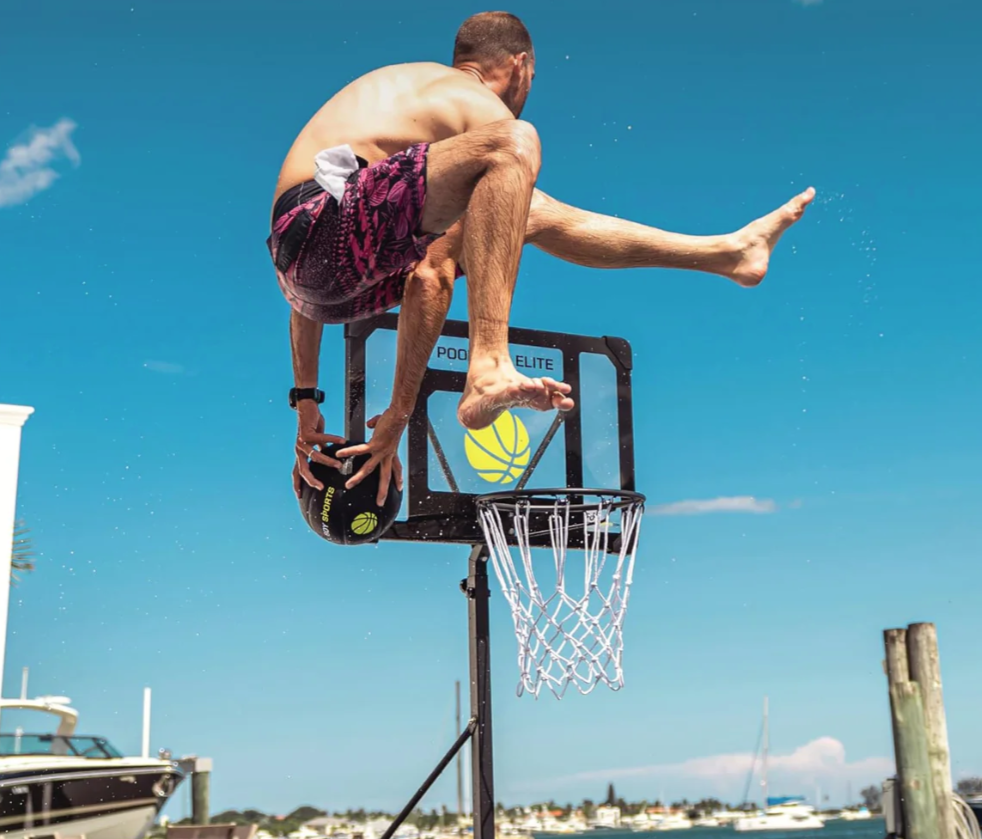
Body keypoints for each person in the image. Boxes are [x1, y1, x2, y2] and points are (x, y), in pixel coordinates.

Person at [268, 11, 814, 508]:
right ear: (520, 66)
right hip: (324, 230)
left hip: (316, 269)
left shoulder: (408, 118)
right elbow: (431, 276)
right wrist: (399, 414)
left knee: (527, 210)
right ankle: (489, 363)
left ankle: (727, 254)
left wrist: (307, 403)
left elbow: (310, 290)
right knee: (514, 145)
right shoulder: (468, 98)